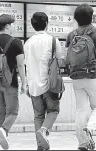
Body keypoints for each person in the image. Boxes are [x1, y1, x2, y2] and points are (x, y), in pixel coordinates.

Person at [65, 4, 96, 150]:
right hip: (94, 76)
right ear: (91, 17)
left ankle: (82, 143)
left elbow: (66, 58)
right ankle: (90, 128)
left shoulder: (71, 35)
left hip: (76, 77)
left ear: (76, 19)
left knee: (81, 109)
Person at [0, 14, 26, 150]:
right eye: (12, 24)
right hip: (10, 83)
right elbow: (20, 65)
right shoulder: (16, 42)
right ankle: (4, 129)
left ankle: (3, 138)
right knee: (13, 111)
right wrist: (24, 83)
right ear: (8, 26)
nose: (13, 26)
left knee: (0, 112)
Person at [24, 12, 64, 150]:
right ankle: (44, 130)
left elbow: (26, 65)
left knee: (38, 115)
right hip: (50, 84)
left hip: (33, 85)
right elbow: (60, 60)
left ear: (32, 25)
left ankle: (41, 146)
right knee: (53, 110)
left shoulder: (27, 43)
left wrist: (27, 85)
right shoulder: (53, 40)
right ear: (47, 23)